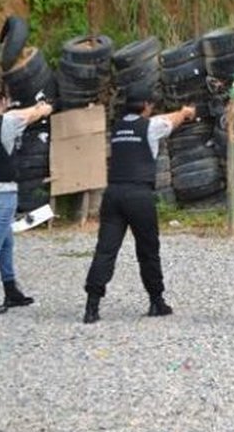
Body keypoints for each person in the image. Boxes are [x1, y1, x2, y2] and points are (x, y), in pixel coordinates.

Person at [82, 88, 196, 323]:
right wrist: (185, 112)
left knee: (105, 250)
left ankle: (91, 306)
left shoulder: (117, 127)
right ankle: (156, 301)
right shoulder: (150, 126)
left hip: (113, 193)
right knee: (148, 251)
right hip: (139, 194)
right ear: (146, 106)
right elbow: (169, 121)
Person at [0, 81, 53, 315]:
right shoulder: (7, 123)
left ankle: (11, 290)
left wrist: (32, 108)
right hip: (2, 194)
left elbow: (15, 114)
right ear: (2, 101)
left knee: (6, 241)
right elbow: (29, 116)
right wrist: (43, 109)